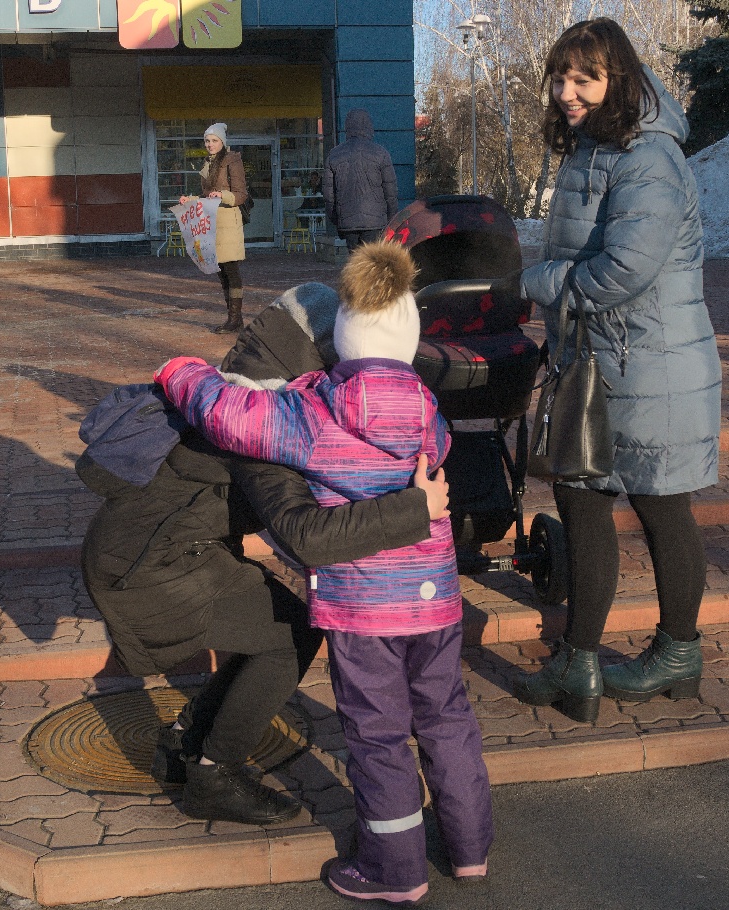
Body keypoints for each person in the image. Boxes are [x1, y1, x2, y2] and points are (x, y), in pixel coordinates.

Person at [158, 242, 493, 906]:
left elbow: (229, 414)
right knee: (446, 716)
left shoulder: (313, 413)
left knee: (377, 735)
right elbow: (437, 452)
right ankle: (469, 848)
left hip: (364, 609)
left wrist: (181, 372)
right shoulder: (426, 408)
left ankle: (395, 869)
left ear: (343, 335)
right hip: (435, 599)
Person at [81, 280, 450, 828]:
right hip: (151, 570)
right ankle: (214, 775)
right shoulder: (264, 428)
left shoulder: (242, 396)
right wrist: (413, 511)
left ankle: (184, 745)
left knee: (272, 625)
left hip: (150, 550)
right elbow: (305, 536)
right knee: (290, 635)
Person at [509, 18, 721, 716]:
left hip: (651, 368)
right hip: (605, 361)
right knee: (582, 499)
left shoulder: (648, 157)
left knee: (660, 507)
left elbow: (624, 268)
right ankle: (583, 664)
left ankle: (674, 653)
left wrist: (536, 284)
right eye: (560, 79)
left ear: (618, 79)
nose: (567, 92)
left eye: (584, 79)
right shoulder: (594, 149)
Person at [179, 122, 249, 334]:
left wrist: (222, 195)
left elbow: (241, 195)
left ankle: (234, 319)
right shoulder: (208, 164)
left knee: (231, 270)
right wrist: (190, 200)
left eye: (214, 140)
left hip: (228, 222)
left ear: (222, 142)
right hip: (213, 222)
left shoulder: (232, 160)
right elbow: (205, 197)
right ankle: (234, 318)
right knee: (222, 272)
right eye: (207, 141)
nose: (210, 144)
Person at [321, 109, 400, 250]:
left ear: (347, 127)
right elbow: (391, 192)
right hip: (375, 222)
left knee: (355, 260)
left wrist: (337, 220)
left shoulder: (334, 155)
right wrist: (391, 218)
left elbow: (328, 196)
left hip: (348, 221)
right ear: (369, 126)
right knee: (373, 260)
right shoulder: (381, 153)